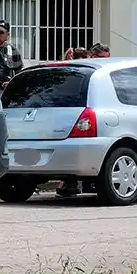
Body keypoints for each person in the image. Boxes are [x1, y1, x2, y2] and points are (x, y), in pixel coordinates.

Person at [56, 42, 110, 198]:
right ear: (92, 56)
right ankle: (71, 183)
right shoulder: (86, 71)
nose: (104, 60)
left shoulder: (103, 72)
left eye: (107, 57)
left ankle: (77, 184)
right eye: (101, 57)